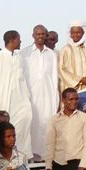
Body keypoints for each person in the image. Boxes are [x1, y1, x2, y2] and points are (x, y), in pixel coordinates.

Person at [0, 30, 34, 154]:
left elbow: (25, 81)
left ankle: (23, 155)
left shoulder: (20, 58)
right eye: (18, 39)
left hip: (21, 102)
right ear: (12, 40)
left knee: (25, 121)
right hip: (3, 102)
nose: (20, 41)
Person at [21, 24, 60, 158]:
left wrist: (56, 99)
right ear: (33, 35)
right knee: (32, 124)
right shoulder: (25, 54)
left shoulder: (52, 54)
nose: (40, 37)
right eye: (38, 34)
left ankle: (46, 157)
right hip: (31, 96)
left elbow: (55, 78)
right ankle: (31, 156)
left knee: (47, 124)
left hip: (48, 96)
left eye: (43, 34)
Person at [45, 87, 86, 170]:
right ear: (63, 100)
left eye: (76, 99)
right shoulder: (54, 120)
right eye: (70, 99)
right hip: (59, 163)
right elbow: (50, 144)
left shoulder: (84, 118)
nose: (74, 102)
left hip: (77, 163)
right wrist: (48, 166)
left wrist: (83, 164)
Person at [58, 20, 86, 92]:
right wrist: (80, 79)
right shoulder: (66, 49)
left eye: (78, 32)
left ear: (83, 33)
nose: (75, 35)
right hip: (70, 88)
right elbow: (61, 69)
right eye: (73, 33)